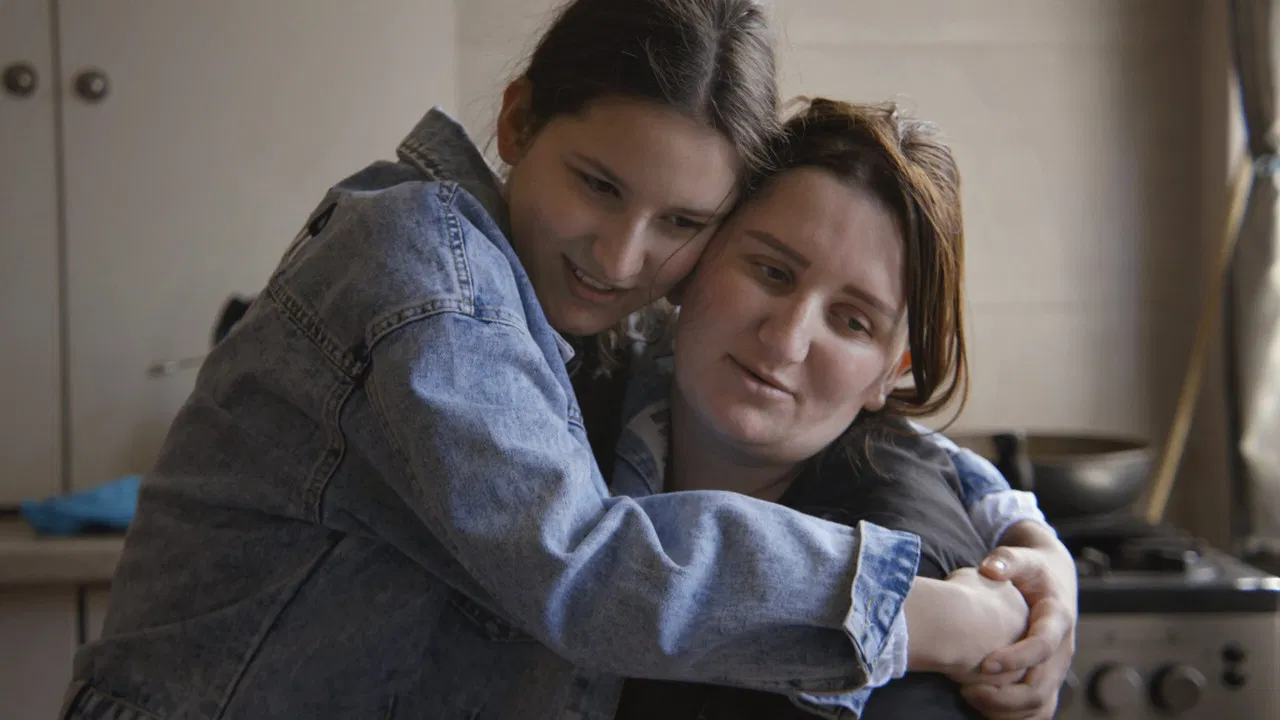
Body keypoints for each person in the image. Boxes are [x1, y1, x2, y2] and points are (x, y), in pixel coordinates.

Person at [61, 3, 1061, 719]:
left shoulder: (570, 306)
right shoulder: (422, 271)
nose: (621, 258)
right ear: (516, 121)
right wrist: (924, 615)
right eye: (597, 184)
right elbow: (579, 566)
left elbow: (822, 402)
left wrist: (1021, 532)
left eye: (680, 222)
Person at [609, 98, 1076, 720]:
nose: (786, 340)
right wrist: (1031, 532)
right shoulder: (583, 389)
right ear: (698, 259)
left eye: (852, 321)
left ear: (889, 375)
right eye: (772, 272)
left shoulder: (927, 575)